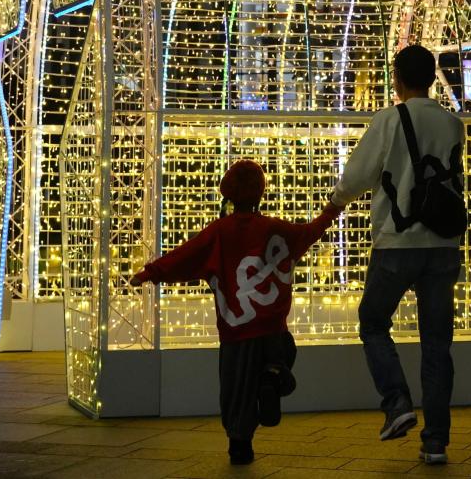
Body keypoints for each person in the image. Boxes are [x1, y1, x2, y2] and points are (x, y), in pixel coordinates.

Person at [130, 160, 341, 466]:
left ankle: (240, 445)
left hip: (236, 328)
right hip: (273, 328)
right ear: (260, 193)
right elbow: (309, 232)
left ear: (227, 193)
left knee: (236, 388)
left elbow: (185, 255)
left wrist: (150, 272)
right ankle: (272, 374)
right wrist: (332, 209)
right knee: (285, 351)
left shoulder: (219, 232)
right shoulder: (276, 229)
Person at [329, 44, 464, 467]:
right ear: (431, 76)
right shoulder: (452, 122)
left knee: (372, 322)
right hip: (443, 245)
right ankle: (436, 442)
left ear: (397, 79)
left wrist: (333, 203)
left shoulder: (388, 119)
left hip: (397, 241)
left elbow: (356, 177)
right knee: (437, 344)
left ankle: (397, 401)